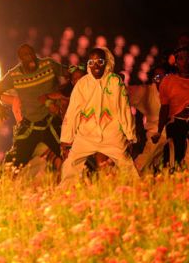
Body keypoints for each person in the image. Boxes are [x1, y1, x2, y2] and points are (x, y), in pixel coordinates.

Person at [59, 47, 138, 184]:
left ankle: (137, 192)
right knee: (71, 163)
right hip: (86, 135)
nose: (95, 66)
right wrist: (66, 138)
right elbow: (73, 112)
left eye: (99, 61)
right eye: (92, 62)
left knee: (126, 164)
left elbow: (124, 109)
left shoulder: (115, 81)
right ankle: (64, 195)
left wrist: (130, 135)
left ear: (106, 62)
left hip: (111, 134)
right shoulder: (82, 84)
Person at [0, 43, 65, 169]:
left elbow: (71, 74)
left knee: (66, 153)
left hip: (50, 122)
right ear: (21, 59)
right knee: (15, 161)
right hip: (30, 126)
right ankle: (6, 182)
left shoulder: (48, 65)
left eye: (31, 53)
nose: (30, 57)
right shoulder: (15, 77)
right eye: (26, 55)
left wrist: (57, 96)